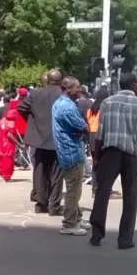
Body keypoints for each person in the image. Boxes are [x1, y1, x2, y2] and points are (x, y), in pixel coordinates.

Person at [89, 73, 137, 249]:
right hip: (133, 155)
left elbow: (100, 133)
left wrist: (96, 158)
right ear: (134, 85)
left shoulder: (107, 103)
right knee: (131, 196)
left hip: (109, 152)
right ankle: (125, 239)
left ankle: (96, 234)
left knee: (102, 193)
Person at [17, 69, 64, 215]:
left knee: (40, 172)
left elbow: (21, 107)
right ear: (60, 79)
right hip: (57, 138)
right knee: (56, 174)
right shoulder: (63, 94)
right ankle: (54, 206)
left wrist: (33, 122)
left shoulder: (36, 93)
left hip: (39, 139)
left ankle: (40, 204)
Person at [52, 77, 90, 235]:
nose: (79, 90)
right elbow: (83, 127)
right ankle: (69, 224)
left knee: (74, 188)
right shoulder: (67, 107)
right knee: (73, 191)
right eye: (77, 88)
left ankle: (77, 218)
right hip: (71, 152)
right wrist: (81, 130)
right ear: (68, 89)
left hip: (67, 150)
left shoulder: (59, 103)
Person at [0, 108, 20, 181]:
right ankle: (7, 176)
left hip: (1, 144)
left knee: (2, 159)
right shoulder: (11, 123)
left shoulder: (2, 120)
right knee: (8, 161)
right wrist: (19, 144)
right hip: (8, 144)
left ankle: (2, 174)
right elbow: (10, 135)